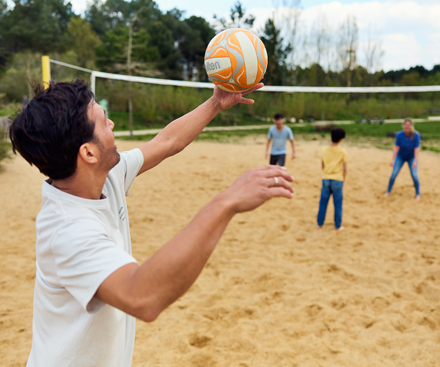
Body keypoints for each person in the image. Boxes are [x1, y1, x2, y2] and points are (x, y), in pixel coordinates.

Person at [9, 79, 294, 367]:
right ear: (89, 153)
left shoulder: (102, 175)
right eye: (102, 120)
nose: (112, 125)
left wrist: (215, 103)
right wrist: (226, 201)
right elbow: (142, 296)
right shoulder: (68, 230)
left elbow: (167, 142)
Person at [317, 127, 348, 231]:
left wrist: (326, 172)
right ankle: (338, 225)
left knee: (323, 202)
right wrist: (343, 179)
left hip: (326, 178)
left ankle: (320, 223)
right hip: (337, 179)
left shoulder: (324, 150)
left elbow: (322, 165)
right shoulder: (342, 151)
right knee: (338, 204)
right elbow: (344, 168)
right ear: (341, 139)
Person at [384, 118, 421, 200]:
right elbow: (396, 147)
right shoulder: (399, 135)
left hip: (411, 157)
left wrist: (415, 161)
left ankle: (418, 193)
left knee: (414, 175)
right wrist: (392, 159)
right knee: (394, 174)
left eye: (409, 125)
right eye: (405, 125)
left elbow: (416, 149)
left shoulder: (416, 135)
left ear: (411, 126)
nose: (407, 126)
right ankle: (388, 191)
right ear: (403, 126)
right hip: (401, 156)